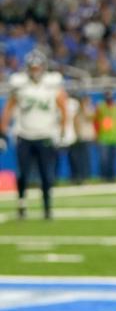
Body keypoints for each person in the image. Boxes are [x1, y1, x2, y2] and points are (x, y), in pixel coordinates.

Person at [0, 50, 67, 220]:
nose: (35, 71)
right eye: (33, 68)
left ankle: (47, 207)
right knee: (22, 174)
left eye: (38, 67)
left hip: (45, 136)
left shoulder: (52, 84)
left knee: (46, 175)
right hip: (24, 136)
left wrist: (63, 131)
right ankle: (22, 204)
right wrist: (2, 132)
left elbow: (63, 108)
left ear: (43, 68)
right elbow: (8, 108)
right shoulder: (21, 85)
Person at [94, 89, 116, 182]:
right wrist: (97, 135)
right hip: (104, 137)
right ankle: (103, 177)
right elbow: (96, 122)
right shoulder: (101, 107)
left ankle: (112, 177)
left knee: (113, 160)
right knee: (104, 160)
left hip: (115, 137)